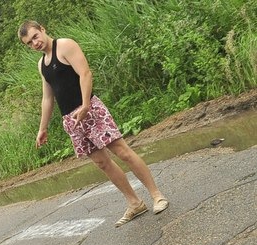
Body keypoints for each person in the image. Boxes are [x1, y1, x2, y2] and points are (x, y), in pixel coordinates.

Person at [18, 21, 169, 226]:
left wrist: (86, 104)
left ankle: (157, 195)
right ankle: (135, 203)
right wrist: (42, 128)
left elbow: (85, 73)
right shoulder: (42, 65)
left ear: (42, 29)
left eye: (35, 37)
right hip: (72, 120)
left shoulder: (65, 45)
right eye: (29, 43)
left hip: (90, 110)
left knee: (122, 152)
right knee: (102, 163)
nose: (34, 43)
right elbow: (48, 98)